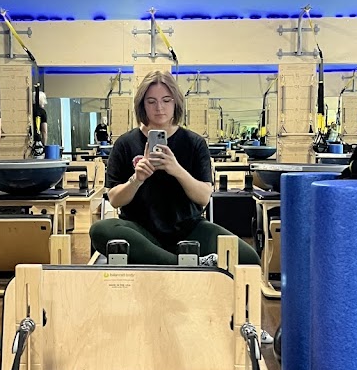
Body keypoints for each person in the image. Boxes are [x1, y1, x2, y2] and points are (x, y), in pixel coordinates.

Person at [90, 70, 260, 267]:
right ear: (142, 105)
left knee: (249, 259)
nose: (159, 107)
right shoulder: (125, 144)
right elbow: (115, 200)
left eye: (166, 100)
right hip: (139, 232)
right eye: (151, 101)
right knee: (100, 231)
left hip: (189, 231)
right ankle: (184, 264)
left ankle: (159, 259)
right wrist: (136, 179)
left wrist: (176, 169)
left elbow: (204, 197)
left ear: (176, 103)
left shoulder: (194, 143)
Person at [32, 90, 48, 155]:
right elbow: (44, 131)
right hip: (37, 142)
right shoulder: (42, 112)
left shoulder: (28, 110)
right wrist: (44, 144)